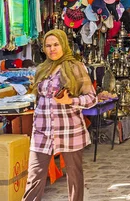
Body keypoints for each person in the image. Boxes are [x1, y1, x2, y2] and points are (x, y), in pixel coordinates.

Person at [23, 29, 97, 201]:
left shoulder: (75, 68)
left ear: (64, 45)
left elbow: (91, 98)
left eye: (56, 45)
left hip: (70, 131)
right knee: (34, 176)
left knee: (74, 177)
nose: (52, 49)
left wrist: (70, 101)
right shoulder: (42, 69)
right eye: (48, 46)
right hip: (42, 131)